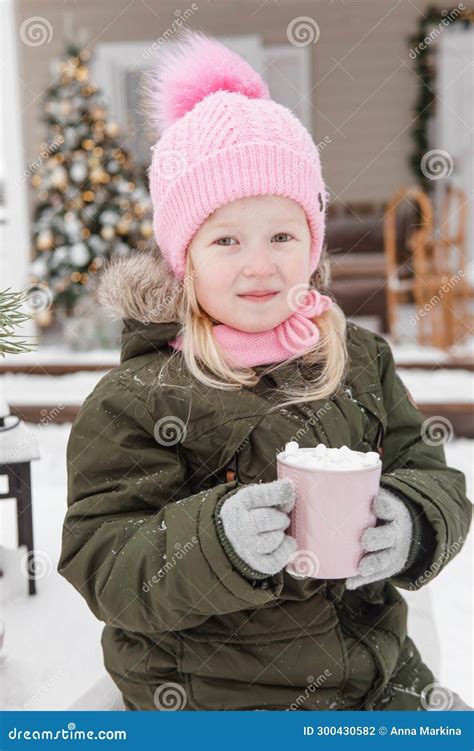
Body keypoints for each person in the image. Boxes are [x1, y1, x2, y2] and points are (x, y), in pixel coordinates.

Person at [57, 30, 472, 712]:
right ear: (182, 256)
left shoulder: (356, 360)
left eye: (282, 234)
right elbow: (104, 557)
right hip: (208, 699)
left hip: (373, 680)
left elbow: (430, 471)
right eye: (225, 240)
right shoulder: (136, 397)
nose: (259, 264)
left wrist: (416, 519)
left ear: (312, 240)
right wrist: (217, 540)